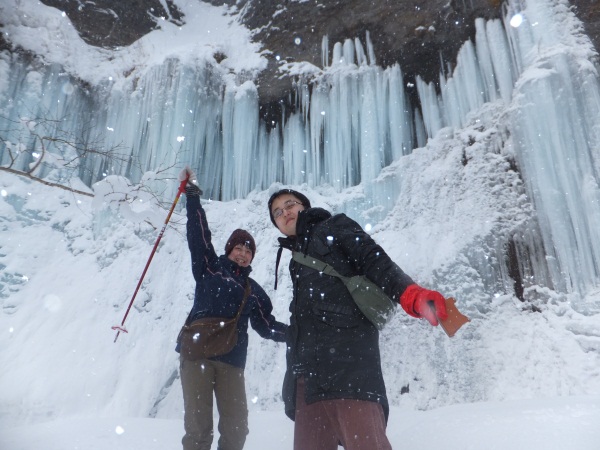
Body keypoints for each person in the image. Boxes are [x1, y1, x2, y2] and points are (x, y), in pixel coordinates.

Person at [267, 188, 449, 450]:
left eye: (290, 204)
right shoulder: (296, 261)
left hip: (349, 367)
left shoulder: (334, 226)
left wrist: (411, 294)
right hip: (308, 382)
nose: (285, 212)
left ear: (304, 207)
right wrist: (293, 381)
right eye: (277, 212)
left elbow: (374, 261)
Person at [176, 167, 288, 450]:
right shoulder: (209, 267)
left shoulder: (253, 291)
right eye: (238, 247)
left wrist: (298, 333)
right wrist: (192, 197)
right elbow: (198, 235)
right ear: (229, 250)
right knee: (199, 430)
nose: (242, 252)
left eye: (248, 250)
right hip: (196, 354)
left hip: (231, 361)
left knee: (237, 430)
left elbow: (267, 326)